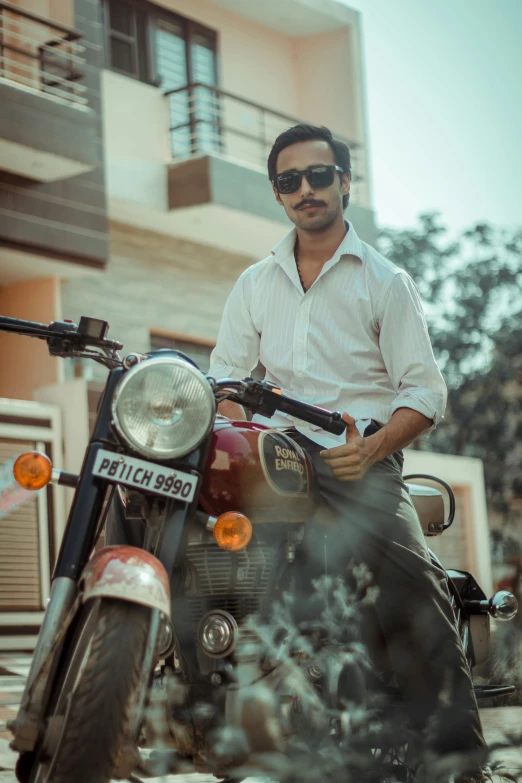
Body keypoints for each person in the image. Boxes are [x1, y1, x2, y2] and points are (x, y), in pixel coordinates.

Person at [208, 124, 488, 781]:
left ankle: (461, 764)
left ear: (344, 182)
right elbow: (225, 377)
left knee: (415, 593)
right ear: (278, 194)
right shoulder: (254, 282)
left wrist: (376, 448)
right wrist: (240, 432)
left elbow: (426, 391)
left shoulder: (384, 280)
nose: (305, 189)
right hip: (274, 458)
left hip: (355, 461)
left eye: (318, 175)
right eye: (289, 180)